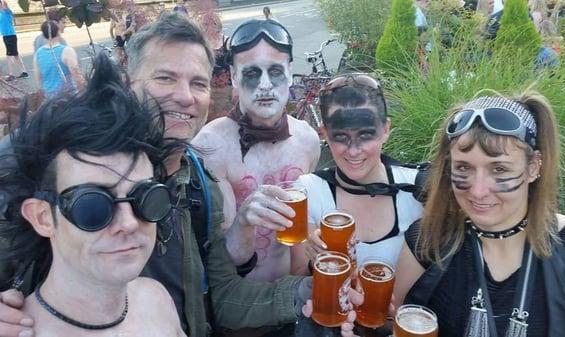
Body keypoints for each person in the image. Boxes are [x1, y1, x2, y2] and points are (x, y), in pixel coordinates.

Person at [0, 13, 344, 337]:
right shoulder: (60, 166)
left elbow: (221, 300)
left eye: (198, 83)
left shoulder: (197, 183)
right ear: (127, 82)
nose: (184, 96)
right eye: (165, 77)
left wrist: (305, 291)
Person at [0, 54, 187, 336]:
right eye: (93, 205)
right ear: (42, 217)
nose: (129, 223)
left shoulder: (155, 299)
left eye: (146, 198)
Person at [394, 91, 565, 337]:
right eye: (463, 168)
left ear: (533, 166)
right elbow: (390, 318)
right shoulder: (428, 238)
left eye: (499, 169)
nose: (478, 191)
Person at [193, 18, 320, 282]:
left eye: (275, 71)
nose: (265, 85)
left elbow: (301, 232)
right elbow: (222, 259)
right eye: (252, 73)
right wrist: (244, 221)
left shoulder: (307, 139)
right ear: (234, 77)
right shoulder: (211, 146)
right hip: (239, 302)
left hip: (293, 292)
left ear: (289, 72)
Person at [301, 73, 424, 269]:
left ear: (385, 130)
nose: (353, 150)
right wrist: (312, 262)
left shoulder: (417, 190)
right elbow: (294, 281)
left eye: (366, 135)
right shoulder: (308, 192)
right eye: (340, 136)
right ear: (324, 133)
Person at [33, 21, 84, 99]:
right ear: (58, 31)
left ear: (43, 35)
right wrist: (83, 96)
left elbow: (38, 79)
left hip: (49, 98)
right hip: (68, 98)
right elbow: (77, 76)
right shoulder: (67, 51)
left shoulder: (38, 53)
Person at [0, 0, 28, 80]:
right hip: (6, 36)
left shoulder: (7, 12)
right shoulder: (1, 14)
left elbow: (5, 4)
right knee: (15, 55)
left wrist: (3, 3)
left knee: (9, 55)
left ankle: (11, 74)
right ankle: (24, 72)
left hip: (10, 36)